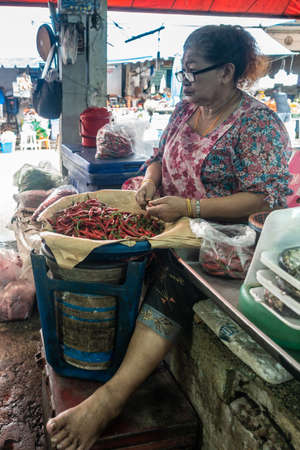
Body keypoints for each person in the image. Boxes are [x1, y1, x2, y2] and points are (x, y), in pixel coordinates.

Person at [46, 25, 292, 450]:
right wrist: (149, 181)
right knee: (107, 245)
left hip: (219, 240)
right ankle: (94, 353)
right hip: (166, 221)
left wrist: (191, 208)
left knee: (175, 277)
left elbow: (264, 198)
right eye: (183, 72)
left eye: (193, 72)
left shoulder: (258, 125)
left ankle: (112, 397)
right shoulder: (185, 110)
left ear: (228, 72)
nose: (186, 81)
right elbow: (158, 158)